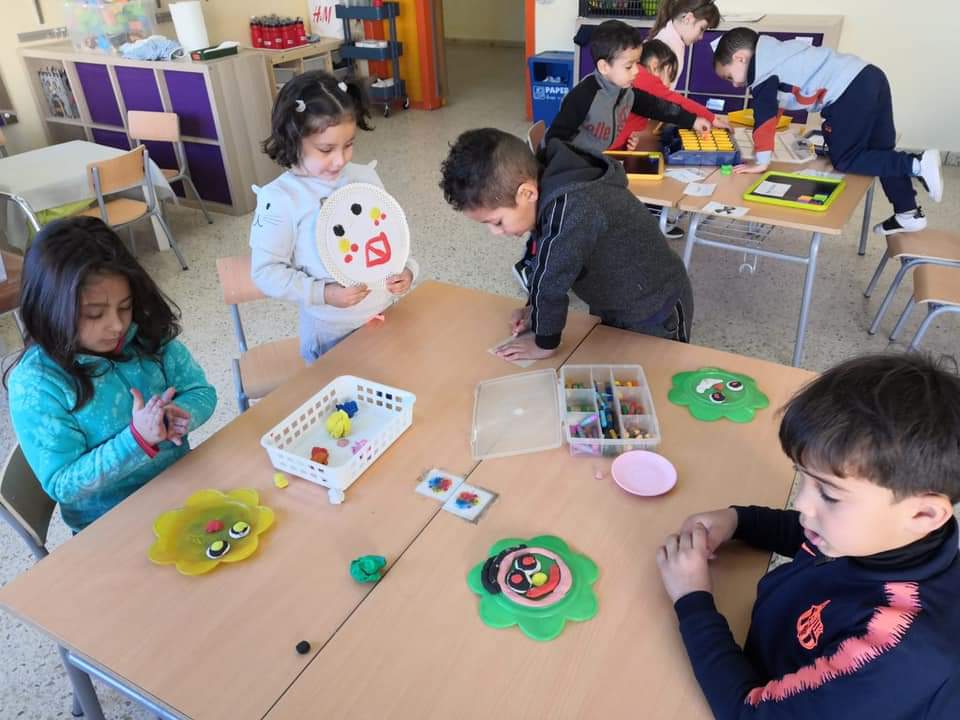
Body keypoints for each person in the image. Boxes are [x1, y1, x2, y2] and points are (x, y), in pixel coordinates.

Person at [656, 353, 960, 718]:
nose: (801, 503)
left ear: (924, 515)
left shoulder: (890, 650)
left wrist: (692, 599)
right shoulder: (886, 538)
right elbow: (808, 538)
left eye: (829, 494)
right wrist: (739, 520)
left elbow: (749, 713)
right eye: (802, 477)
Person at [5, 217, 217, 533]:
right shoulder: (36, 384)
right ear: (50, 310)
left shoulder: (145, 333)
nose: (117, 325)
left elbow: (201, 391)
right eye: (94, 314)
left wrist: (179, 415)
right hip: (111, 527)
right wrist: (137, 440)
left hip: (182, 488)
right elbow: (63, 483)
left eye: (125, 307)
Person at [440, 128, 693, 362]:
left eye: (497, 222)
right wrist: (534, 310)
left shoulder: (573, 205)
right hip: (613, 299)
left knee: (660, 373)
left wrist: (544, 343)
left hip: (656, 308)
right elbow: (545, 257)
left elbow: (552, 277)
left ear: (527, 193)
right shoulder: (548, 187)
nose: (495, 233)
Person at [250, 71, 419, 362]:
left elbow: (391, 238)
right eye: (326, 149)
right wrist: (324, 293)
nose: (340, 159)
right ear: (293, 139)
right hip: (330, 335)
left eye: (349, 144)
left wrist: (407, 271)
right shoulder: (279, 199)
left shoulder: (364, 177)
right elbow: (266, 273)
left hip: (386, 316)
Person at [713, 27, 943, 235]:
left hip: (848, 91)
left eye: (730, 77)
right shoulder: (778, 54)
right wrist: (767, 141)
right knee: (881, 153)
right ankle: (908, 212)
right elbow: (775, 109)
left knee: (846, 159)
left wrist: (761, 162)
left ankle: (917, 163)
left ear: (740, 58)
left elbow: (763, 119)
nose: (735, 85)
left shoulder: (762, 74)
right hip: (871, 76)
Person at [544, 19, 710, 157]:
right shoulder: (583, 96)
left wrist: (693, 120)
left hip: (601, 160)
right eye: (629, 66)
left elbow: (656, 106)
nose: (637, 71)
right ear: (604, 67)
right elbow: (555, 140)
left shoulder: (624, 92)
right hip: (574, 168)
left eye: (637, 63)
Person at [646, 0, 722, 91]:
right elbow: (660, 93)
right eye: (701, 29)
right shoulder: (668, 47)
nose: (701, 37)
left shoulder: (671, 38)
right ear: (688, 18)